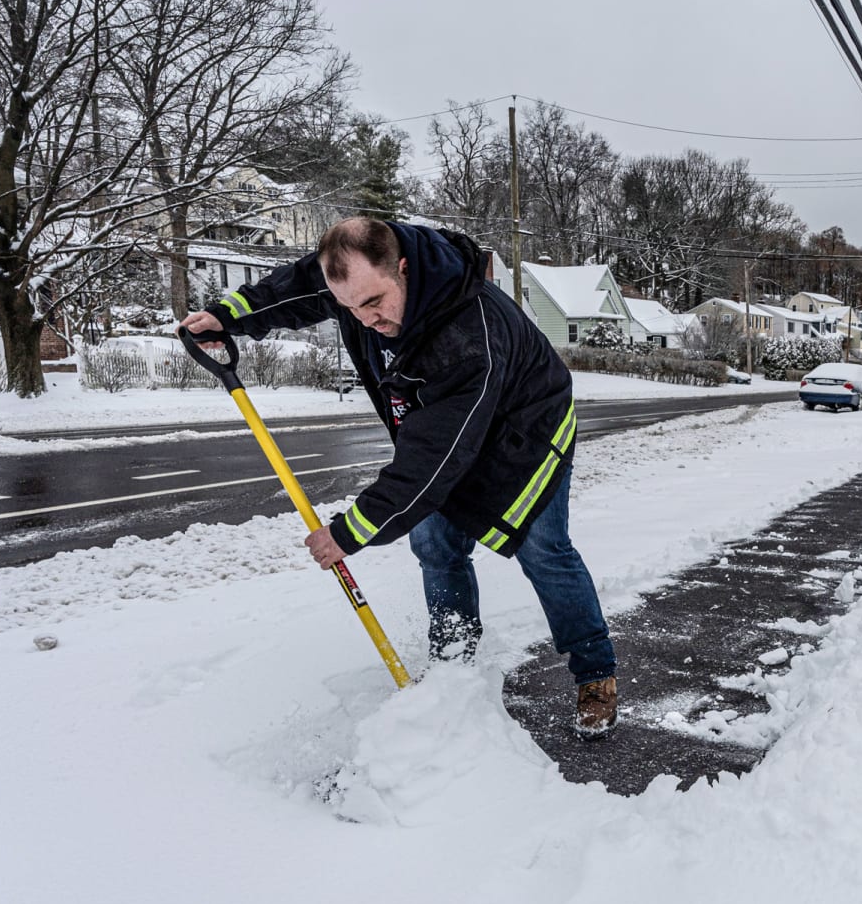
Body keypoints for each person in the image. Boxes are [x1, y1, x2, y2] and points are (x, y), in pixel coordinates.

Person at [178, 217, 619, 737]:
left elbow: (430, 460)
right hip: (447, 429)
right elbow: (298, 286)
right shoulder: (362, 277)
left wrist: (350, 532)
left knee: (544, 550)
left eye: (375, 303)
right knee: (435, 544)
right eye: (350, 308)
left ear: (404, 269)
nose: (366, 320)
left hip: (525, 433)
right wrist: (230, 314)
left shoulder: (467, 333)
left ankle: (595, 674)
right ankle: (455, 663)